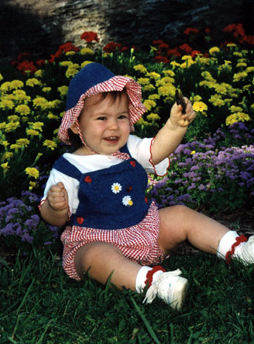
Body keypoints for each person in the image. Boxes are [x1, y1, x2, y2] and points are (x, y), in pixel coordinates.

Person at [39, 63, 254, 310]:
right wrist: (56, 207)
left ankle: (240, 250)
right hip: (96, 238)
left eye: (121, 117)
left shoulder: (130, 146)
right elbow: (53, 219)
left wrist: (175, 126)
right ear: (76, 125)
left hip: (145, 231)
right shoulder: (68, 167)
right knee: (92, 257)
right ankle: (156, 283)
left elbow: (157, 149)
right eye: (101, 118)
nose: (113, 126)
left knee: (181, 215)